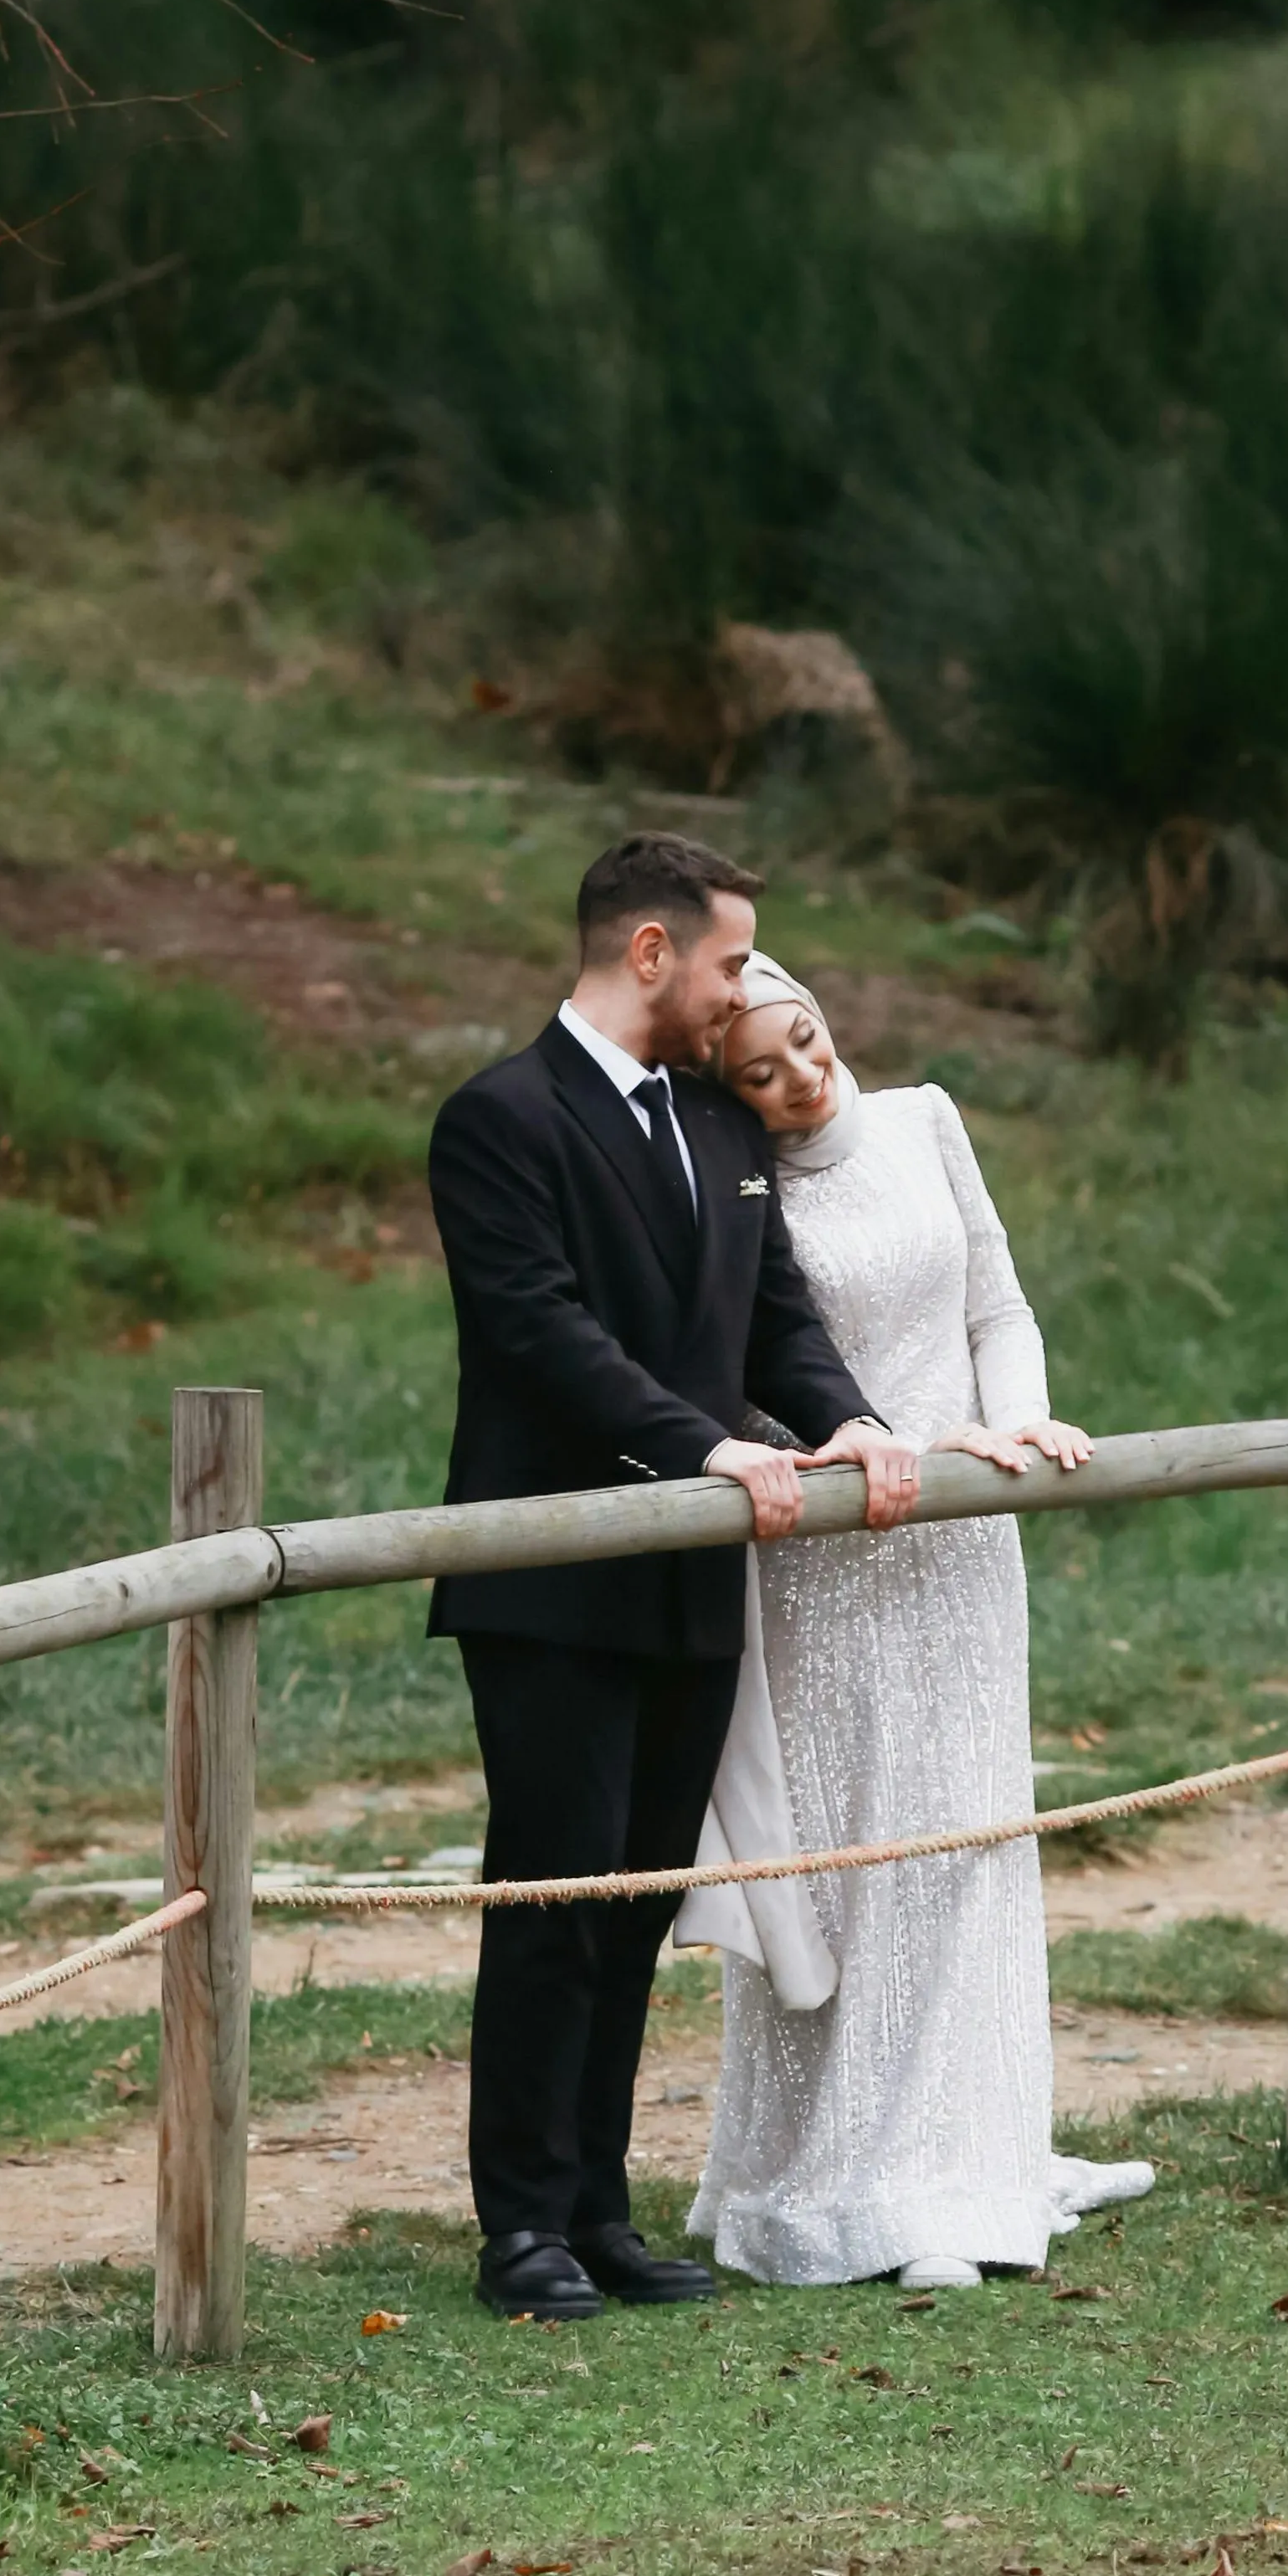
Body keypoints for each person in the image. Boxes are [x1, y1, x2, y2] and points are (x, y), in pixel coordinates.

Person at [424, 835, 919, 2322]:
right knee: (552, 1897)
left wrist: (849, 1426)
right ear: (648, 951)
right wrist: (699, 1447)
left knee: (638, 1902)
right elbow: (537, 1327)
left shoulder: (721, 1129)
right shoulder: (498, 1121)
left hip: (703, 1576)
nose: (741, 987)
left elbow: (777, 1319)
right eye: (724, 961)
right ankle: (519, 2229)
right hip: (552, 1580)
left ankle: (599, 2208)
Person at [679, 960, 1157, 2292]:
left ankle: (988, 2150)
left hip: (963, 1528)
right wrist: (863, 1445)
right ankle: (855, 2185)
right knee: (854, 1850)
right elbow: (749, 1354)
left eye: (808, 1045)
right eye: (760, 1074)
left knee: (970, 1830)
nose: (799, 1081)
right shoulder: (734, 1177)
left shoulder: (925, 1117)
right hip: (836, 1537)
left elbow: (993, 1302)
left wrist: (1011, 1419)